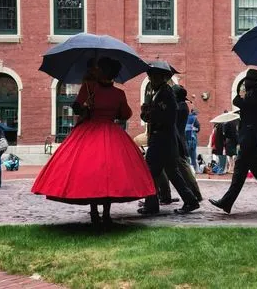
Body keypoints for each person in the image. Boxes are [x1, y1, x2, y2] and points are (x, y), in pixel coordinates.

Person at [32, 57, 156, 227]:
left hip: (89, 133)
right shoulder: (118, 93)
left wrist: (86, 106)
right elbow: (125, 114)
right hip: (111, 134)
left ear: (102, 71)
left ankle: (95, 212)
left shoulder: (89, 87)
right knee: (110, 175)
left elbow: (75, 107)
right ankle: (105, 214)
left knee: (91, 173)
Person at [209, 69, 257, 214]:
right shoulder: (256, 95)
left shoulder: (256, 96)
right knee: (254, 172)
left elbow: (238, 102)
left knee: (248, 172)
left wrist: (240, 95)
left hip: (250, 139)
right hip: (252, 139)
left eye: (246, 82)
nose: (245, 84)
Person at [138, 63, 200, 215]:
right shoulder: (158, 93)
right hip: (162, 139)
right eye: (150, 76)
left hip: (162, 140)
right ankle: (190, 200)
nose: (151, 79)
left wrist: (149, 114)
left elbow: (166, 117)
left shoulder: (166, 93)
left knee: (151, 171)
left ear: (162, 77)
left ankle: (152, 204)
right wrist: (146, 113)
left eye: (153, 76)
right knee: (171, 172)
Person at [173, 85, 203, 201]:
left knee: (183, 167)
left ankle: (195, 195)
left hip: (177, 141)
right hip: (179, 139)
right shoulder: (183, 106)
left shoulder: (179, 107)